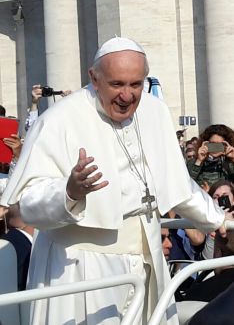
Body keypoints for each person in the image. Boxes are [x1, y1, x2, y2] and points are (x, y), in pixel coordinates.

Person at [0, 37, 231, 325]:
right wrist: (69, 192)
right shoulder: (59, 119)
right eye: (117, 84)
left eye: (136, 84)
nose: (128, 95)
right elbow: (27, 205)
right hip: (82, 266)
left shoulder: (154, 111)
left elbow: (179, 185)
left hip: (147, 260)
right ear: (94, 78)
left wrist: (219, 221)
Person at [187, 124, 234, 188]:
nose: (215, 148)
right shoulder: (194, 162)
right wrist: (199, 161)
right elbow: (187, 182)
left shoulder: (229, 163)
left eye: (219, 145)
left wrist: (232, 159)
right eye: (212, 144)